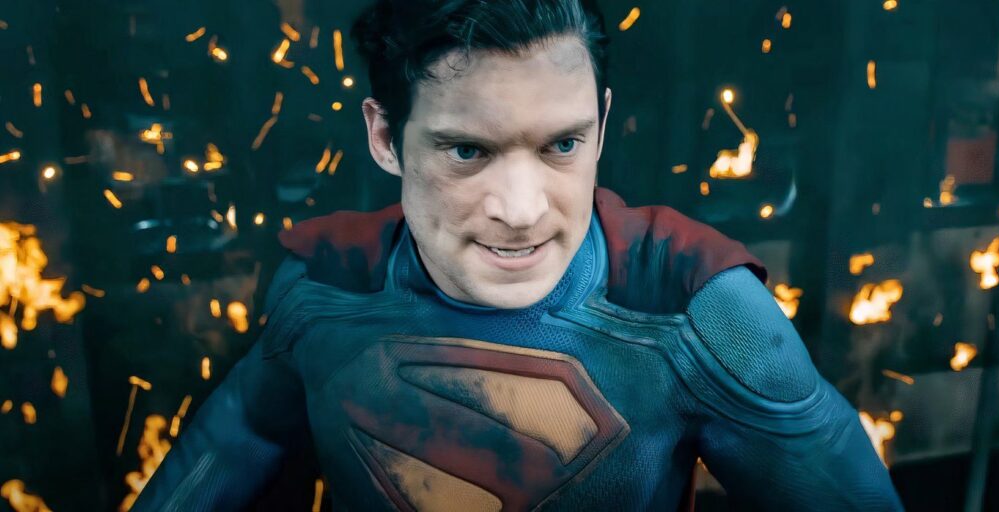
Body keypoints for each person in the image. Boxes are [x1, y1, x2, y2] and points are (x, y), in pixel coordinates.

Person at [133, 1, 904, 510]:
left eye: (562, 144)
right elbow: (235, 449)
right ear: (384, 138)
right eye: (467, 151)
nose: (523, 209)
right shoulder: (327, 282)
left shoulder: (695, 308)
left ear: (601, 124)